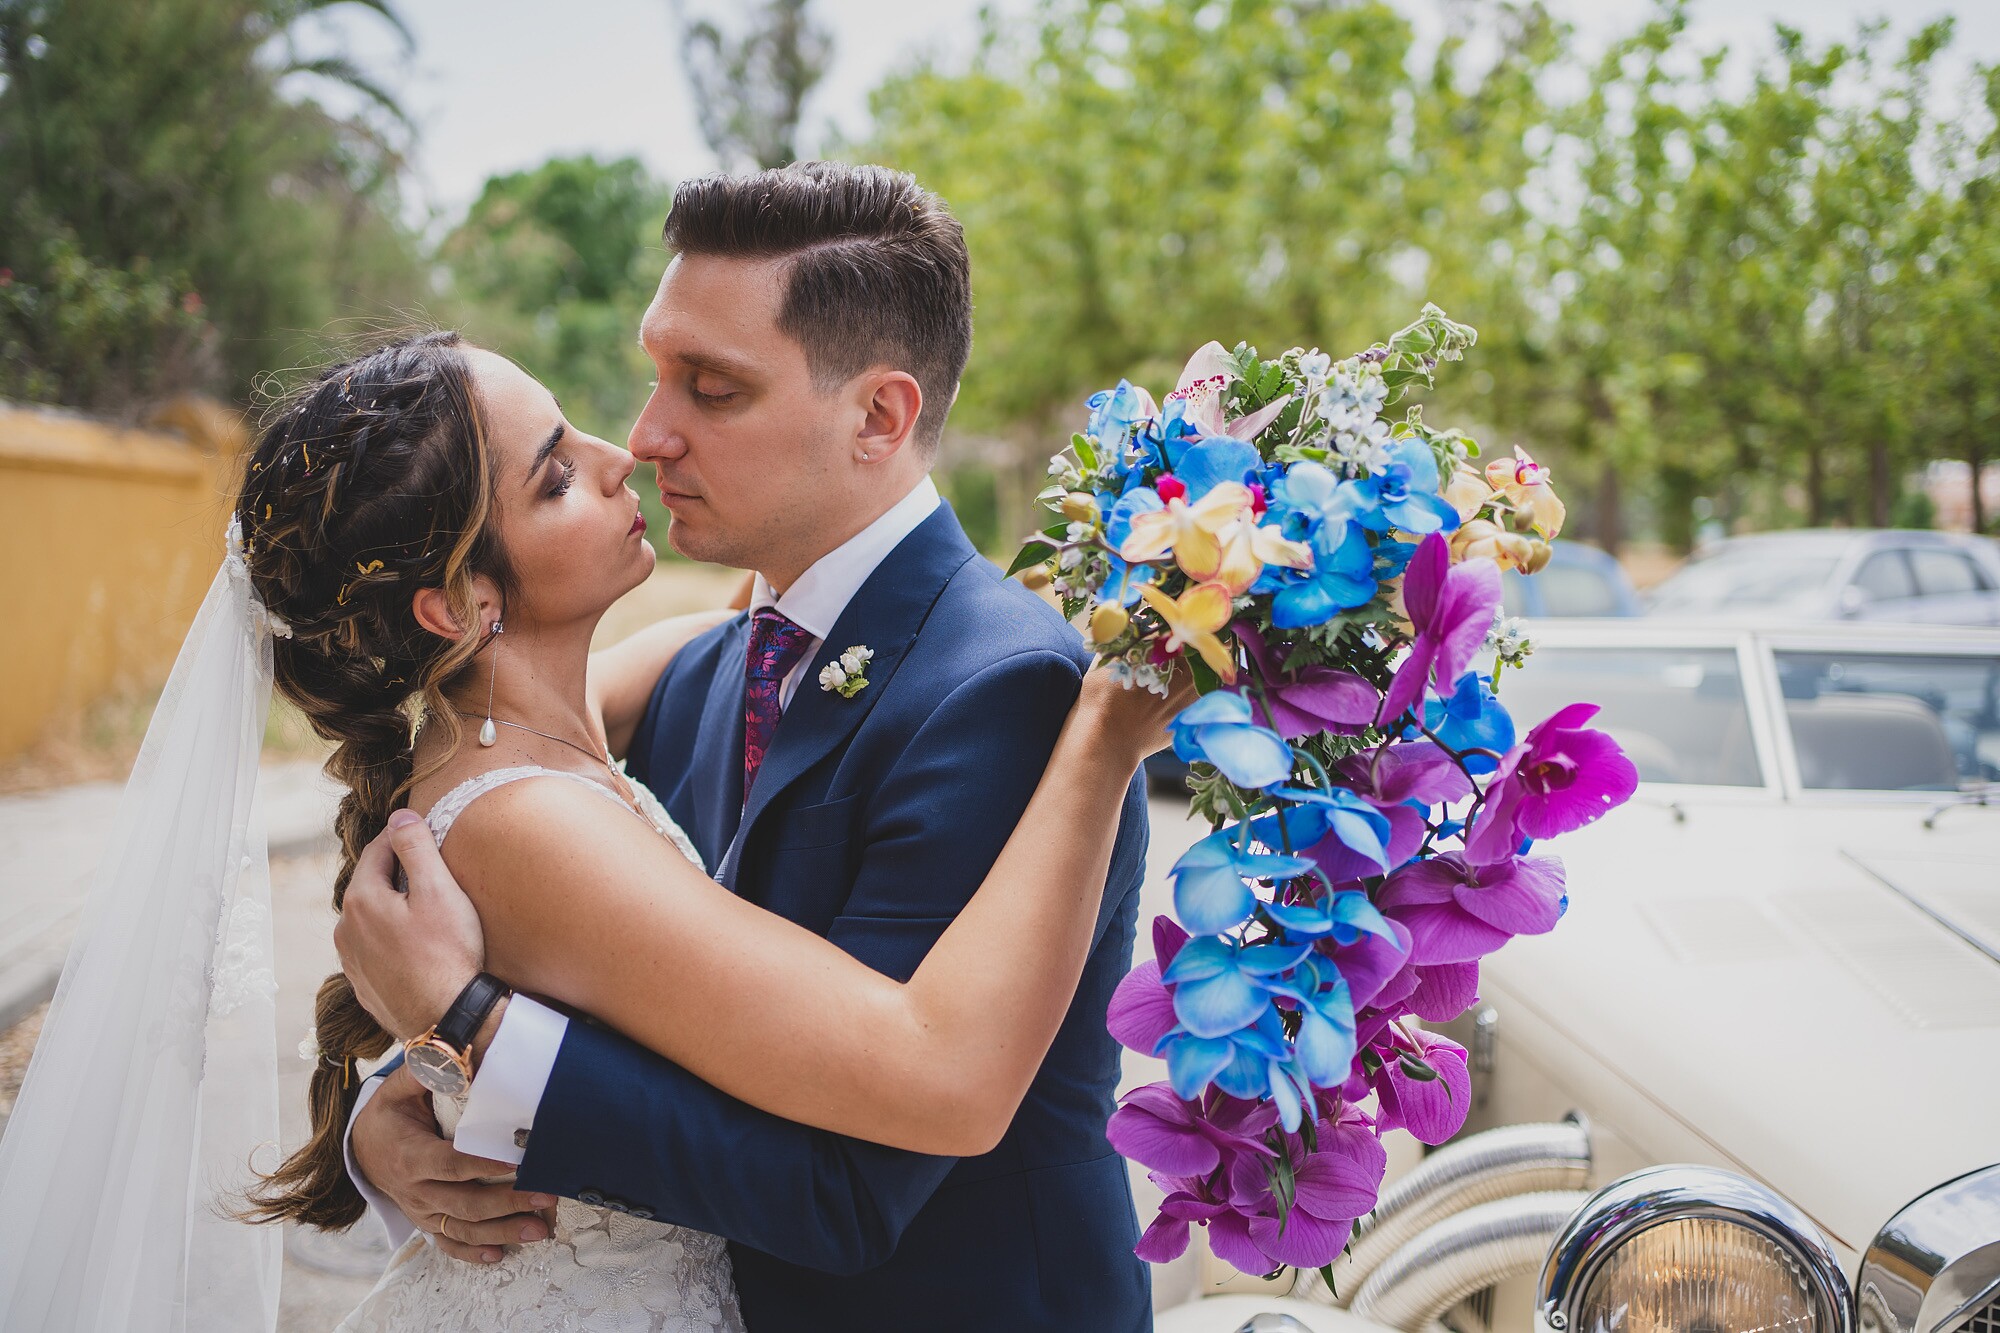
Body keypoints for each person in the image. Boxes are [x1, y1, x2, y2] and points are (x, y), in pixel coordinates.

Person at [322, 164, 1163, 1332]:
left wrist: (466, 1038)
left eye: (711, 389)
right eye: (656, 370)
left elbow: (850, 1183)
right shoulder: (705, 668)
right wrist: (404, 1095)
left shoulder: (1000, 688)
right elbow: (595, 950)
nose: (645, 435)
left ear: (879, 415)